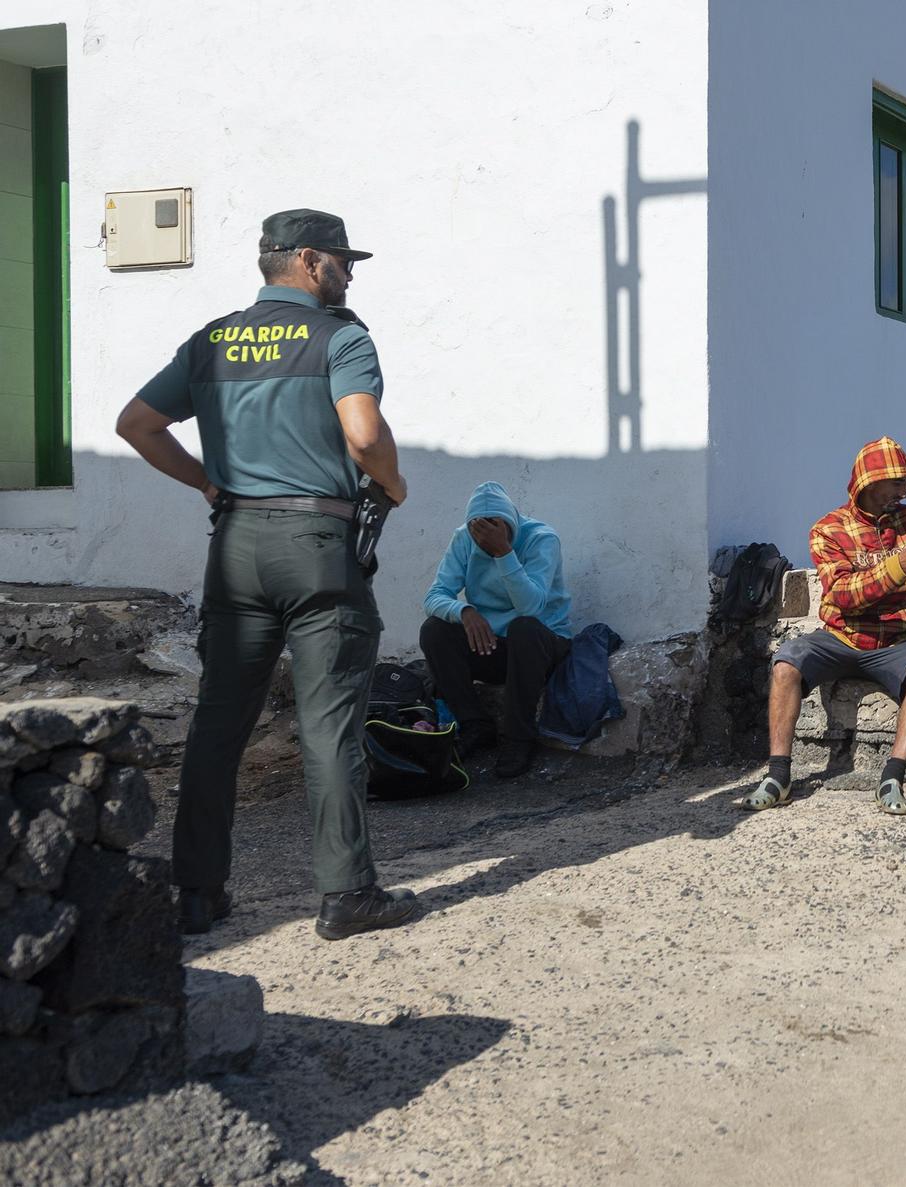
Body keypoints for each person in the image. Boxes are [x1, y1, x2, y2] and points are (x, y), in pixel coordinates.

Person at [114, 208, 420, 942]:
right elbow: (365, 433)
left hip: (237, 544)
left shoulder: (212, 340)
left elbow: (136, 424)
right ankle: (347, 895)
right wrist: (394, 483)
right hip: (316, 543)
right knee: (329, 722)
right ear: (309, 262)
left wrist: (206, 484)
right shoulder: (341, 335)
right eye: (343, 260)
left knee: (219, 721)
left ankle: (195, 894)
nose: (350, 273)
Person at [742, 437, 906, 816]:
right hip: (840, 637)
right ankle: (779, 776)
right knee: (786, 661)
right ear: (868, 482)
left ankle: (892, 777)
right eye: (897, 483)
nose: (904, 491)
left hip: (896, 640)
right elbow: (842, 594)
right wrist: (894, 568)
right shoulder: (828, 530)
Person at [419, 482, 573, 779]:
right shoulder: (465, 538)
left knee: (524, 627)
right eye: (480, 533)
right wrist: (464, 611)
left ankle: (519, 739)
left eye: (496, 530)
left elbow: (532, 607)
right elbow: (434, 596)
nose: (484, 540)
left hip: (543, 646)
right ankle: (475, 724)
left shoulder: (542, 539)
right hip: (494, 646)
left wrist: (503, 552)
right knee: (435, 630)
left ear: (510, 525)